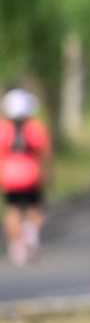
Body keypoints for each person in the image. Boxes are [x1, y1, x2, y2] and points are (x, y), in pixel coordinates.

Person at [1, 89, 50, 267]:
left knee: (12, 209)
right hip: (32, 176)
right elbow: (45, 154)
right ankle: (30, 234)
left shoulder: (3, 129)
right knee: (35, 208)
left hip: (9, 177)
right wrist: (46, 174)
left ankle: (16, 245)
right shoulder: (35, 129)